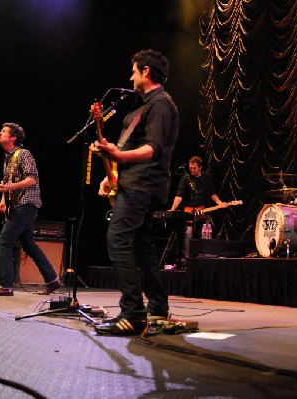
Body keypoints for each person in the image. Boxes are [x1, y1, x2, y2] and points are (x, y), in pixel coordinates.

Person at [91, 49, 179, 335]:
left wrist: (120, 157)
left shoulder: (161, 104)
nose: (130, 76)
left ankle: (133, 312)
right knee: (142, 247)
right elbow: (128, 150)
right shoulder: (140, 108)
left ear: (145, 72)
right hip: (133, 181)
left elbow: (152, 150)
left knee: (117, 239)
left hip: (144, 184)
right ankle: (156, 306)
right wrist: (112, 175)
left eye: (133, 71)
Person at [0, 123, 62, 296]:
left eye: (3, 131)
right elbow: (7, 183)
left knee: (3, 242)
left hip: (26, 203)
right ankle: (53, 280)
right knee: (29, 244)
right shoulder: (7, 157)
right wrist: (3, 200)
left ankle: (6, 285)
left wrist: (11, 187)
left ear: (13, 137)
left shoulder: (23, 154)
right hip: (18, 204)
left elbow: (32, 179)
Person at [169, 156, 225, 263]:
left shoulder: (207, 178)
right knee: (188, 234)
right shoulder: (185, 178)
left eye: (194, 168)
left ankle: (205, 260)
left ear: (200, 167)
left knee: (205, 234)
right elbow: (179, 196)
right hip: (189, 212)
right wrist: (173, 208)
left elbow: (213, 193)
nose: (192, 170)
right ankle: (187, 261)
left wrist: (219, 203)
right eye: (190, 168)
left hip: (204, 211)